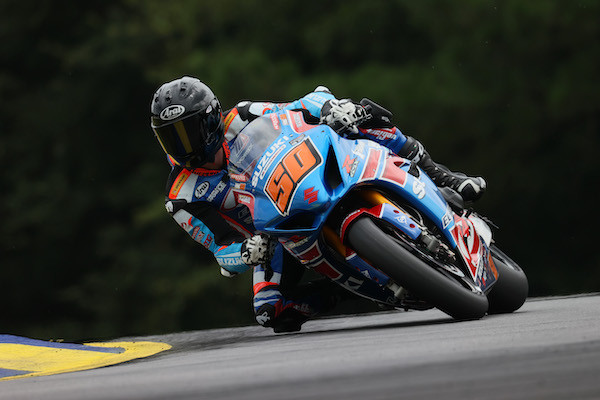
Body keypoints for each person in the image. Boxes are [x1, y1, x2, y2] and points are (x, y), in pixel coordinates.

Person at [150, 76, 486, 332]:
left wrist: (330, 109)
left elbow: (295, 108)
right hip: (275, 235)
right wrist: (246, 252)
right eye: (171, 136)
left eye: (189, 130)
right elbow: (220, 249)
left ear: (211, 118)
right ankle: (346, 288)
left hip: (307, 176)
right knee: (271, 312)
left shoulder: (242, 115)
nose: (184, 144)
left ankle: (440, 175)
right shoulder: (181, 195)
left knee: (360, 115)